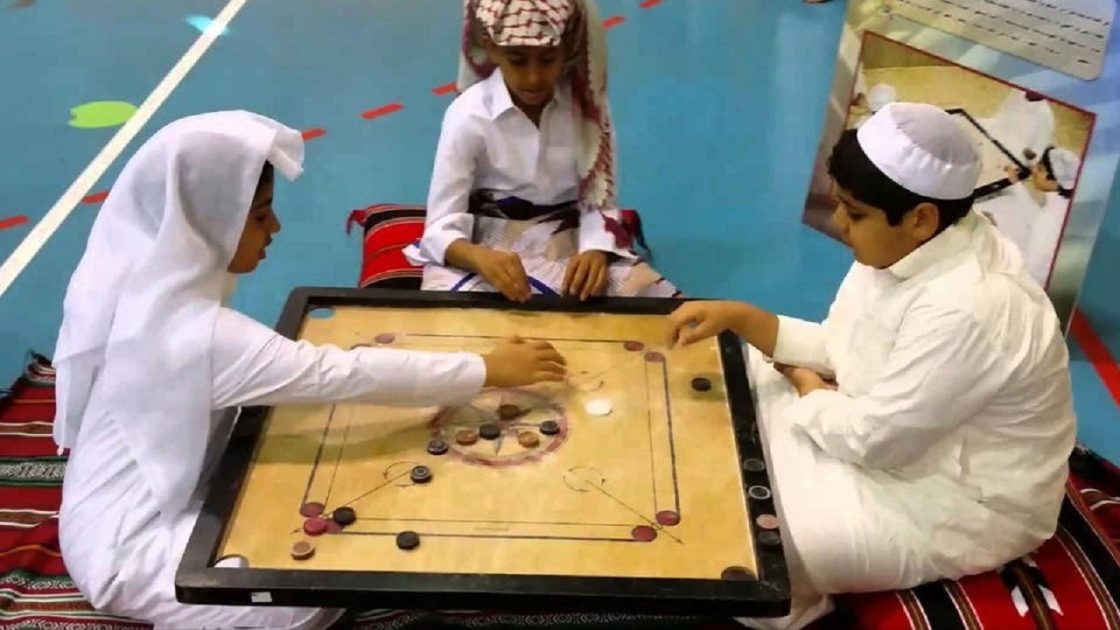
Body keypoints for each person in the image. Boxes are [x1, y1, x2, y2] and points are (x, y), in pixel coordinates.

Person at [51, 111, 567, 629]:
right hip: (128, 552)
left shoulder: (150, 291)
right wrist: (487, 368)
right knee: (310, 588)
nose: (275, 228)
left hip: (149, 505)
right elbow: (345, 373)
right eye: (259, 215)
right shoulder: (198, 335)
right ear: (206, 221)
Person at [666, 102, 1076, 629]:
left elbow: (873, 441)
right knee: (730, 382)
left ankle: (799, 613)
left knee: (752, 541)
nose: (840, 223)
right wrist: (744, 319)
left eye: (855, 213)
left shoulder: (968, 307)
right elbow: (846, 347)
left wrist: (806, 386)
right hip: (894, 435)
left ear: (921, 218)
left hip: (959, 501)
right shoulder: (909, 247)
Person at [403, 0, 678, 303]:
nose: (533, 78)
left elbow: (599, 198)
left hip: (569, 237)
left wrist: (596, 249)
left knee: (653, 304)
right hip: (487, 241)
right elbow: (441, 225)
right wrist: (479, 258)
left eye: (547, 60)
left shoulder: (587, 109)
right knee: (454, 317)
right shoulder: (467, 115)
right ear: (491, 48)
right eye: (517, 61)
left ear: (567, 49)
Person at [976, 145, 1080, 287]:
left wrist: (994, 232)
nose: (1033, 170)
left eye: (1040, 169)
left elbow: (1026, 272)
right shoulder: (1062, 204)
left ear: (1055, 182)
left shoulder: (1047, 221)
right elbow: (1035, 211)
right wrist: (1016, 183)